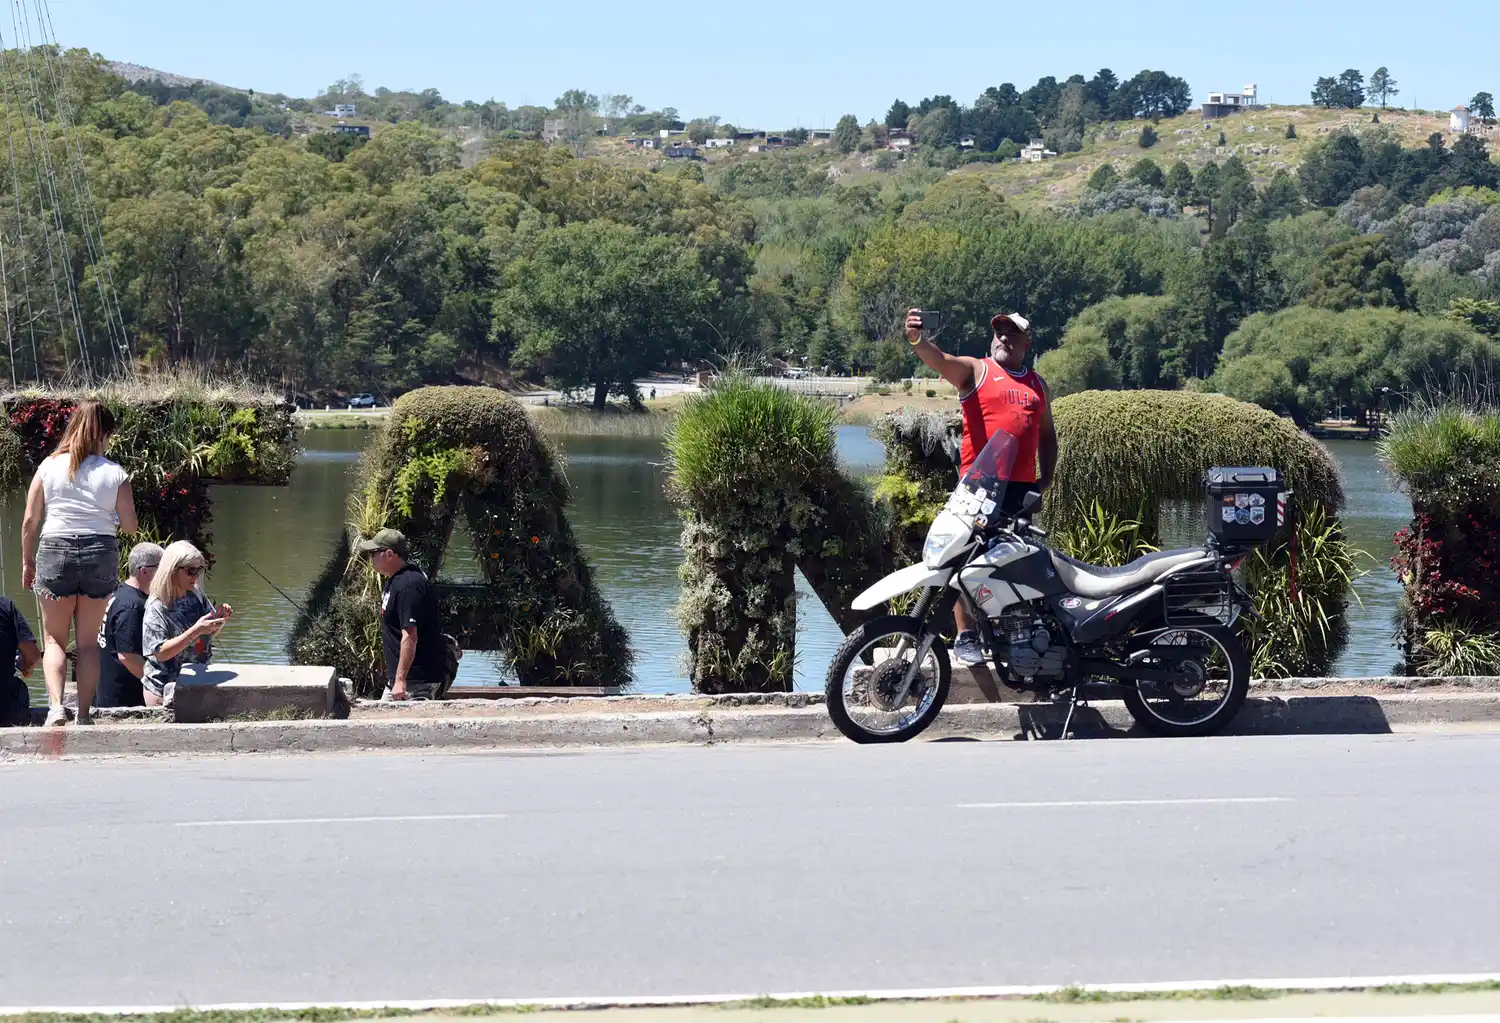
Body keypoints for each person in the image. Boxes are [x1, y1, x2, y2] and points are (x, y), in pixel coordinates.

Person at [905, 308, 1058, 667]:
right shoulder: (977, 370)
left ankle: (1014, 636)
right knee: (962, 560)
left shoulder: (1038, 385)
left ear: (1026, 341)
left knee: (1017, 565)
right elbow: (937, 358)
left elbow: (1048, 437)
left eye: (1012, 332)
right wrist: (916, 339)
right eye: (999, 331)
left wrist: (1046, 479)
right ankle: (966, 634)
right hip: (979, 487)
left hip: (1020, 492)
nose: (1003, 337)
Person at [21, 400, 137, 726]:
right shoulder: (115, 473)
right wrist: (111, 515)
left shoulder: (48, 466)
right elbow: (130, 526)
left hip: (55, 549)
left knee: (54, 639)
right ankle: (83, 715)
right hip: (100, 550)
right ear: (105, 434)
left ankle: (56, 708)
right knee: (87, 642)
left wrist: (28, 563)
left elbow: (30, 521)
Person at [357, 528, 446, 701]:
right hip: (401, 681)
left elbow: (410, 635)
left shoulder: (409, 585)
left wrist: (400, 680)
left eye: (374, 552)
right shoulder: (395, 581)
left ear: (389, 554)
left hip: (416, 682)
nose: (371, 557)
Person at [143, 540, 231, 707]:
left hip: (197, 685)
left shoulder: (196, 593)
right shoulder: (157, 605)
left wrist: (219, 620)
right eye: (191, 571)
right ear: (172, 570)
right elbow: (160, 652)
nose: (196, 576)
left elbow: (208, 633)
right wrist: (196, 630)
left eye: (199, 570)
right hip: (164, 689)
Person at [96, 542, 164, 709]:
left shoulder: (118, 593)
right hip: (124, 701)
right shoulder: (132, 606)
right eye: (161, 568)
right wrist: (155, 688)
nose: (165, 574)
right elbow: (127, 656)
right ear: (144, 571)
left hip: (108, 691)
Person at [0, 596, 42, 727]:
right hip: (3, 704)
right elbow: (33, 656)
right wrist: (26, 667)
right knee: (20, 689)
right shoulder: (5, 606)